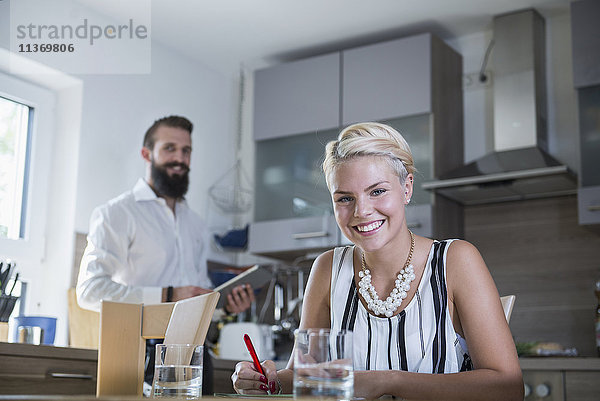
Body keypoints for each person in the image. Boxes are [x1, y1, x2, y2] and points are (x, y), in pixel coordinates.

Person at [232, 122, 523, 400]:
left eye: (377, 191)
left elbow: (508, 388)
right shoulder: (327, 268)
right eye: (345, 199)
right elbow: (302, 376)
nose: (361, 211)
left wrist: (387, 380)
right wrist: (266, 380)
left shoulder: (456, 261)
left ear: (407, 188)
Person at [76, 115, 255, 394]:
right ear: (147, 154)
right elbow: (89, 291)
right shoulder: (116, 213)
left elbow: (192, 297)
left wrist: (224, 308)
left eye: (186, 151)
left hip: (196, 354)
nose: (179, 158)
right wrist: (167, 295)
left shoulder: (196, 224)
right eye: (169, 148)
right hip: (138, 353)